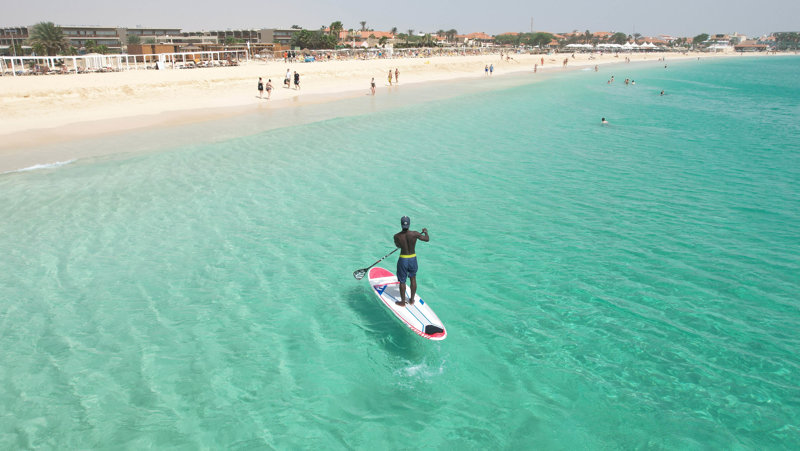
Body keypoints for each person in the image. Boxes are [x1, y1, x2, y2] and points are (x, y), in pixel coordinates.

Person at [393, 216, 429, 307]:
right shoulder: (415, 234)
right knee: (413, 278)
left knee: (402, 281)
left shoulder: (397, 236)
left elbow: (398, 245)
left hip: (403, 259)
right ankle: (412, 300)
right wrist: (425, 232)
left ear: (401, 224)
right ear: (409, 224)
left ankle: (402, 302)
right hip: (413, 259)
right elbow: (426, 239)